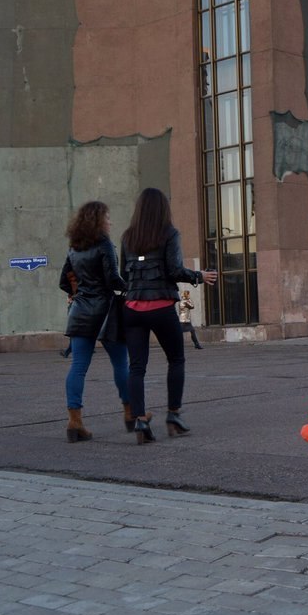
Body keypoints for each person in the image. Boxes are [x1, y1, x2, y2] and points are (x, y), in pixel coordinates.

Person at [121, 188, 217, 443]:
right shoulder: (169, 233)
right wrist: (199, 276)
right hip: (161, 308)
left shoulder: (128, 237)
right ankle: (173, 415)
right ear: (164, 208)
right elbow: (174, 270)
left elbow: (124, 276)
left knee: (136, 367)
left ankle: (140, 421)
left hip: (132, 309)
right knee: (176, 359)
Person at [59, 200, 130, 443]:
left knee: (78, 366)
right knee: (121, 363)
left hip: (79, 312)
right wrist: (132, 289)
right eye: (108, 217)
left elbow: (63, 282)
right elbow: (113, 279)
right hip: (106, 313)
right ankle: (130, 414)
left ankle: (75, 421)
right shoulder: (104, 244)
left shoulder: (73, 248)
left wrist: (79, 293)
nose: (110, 221)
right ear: (99, 220)